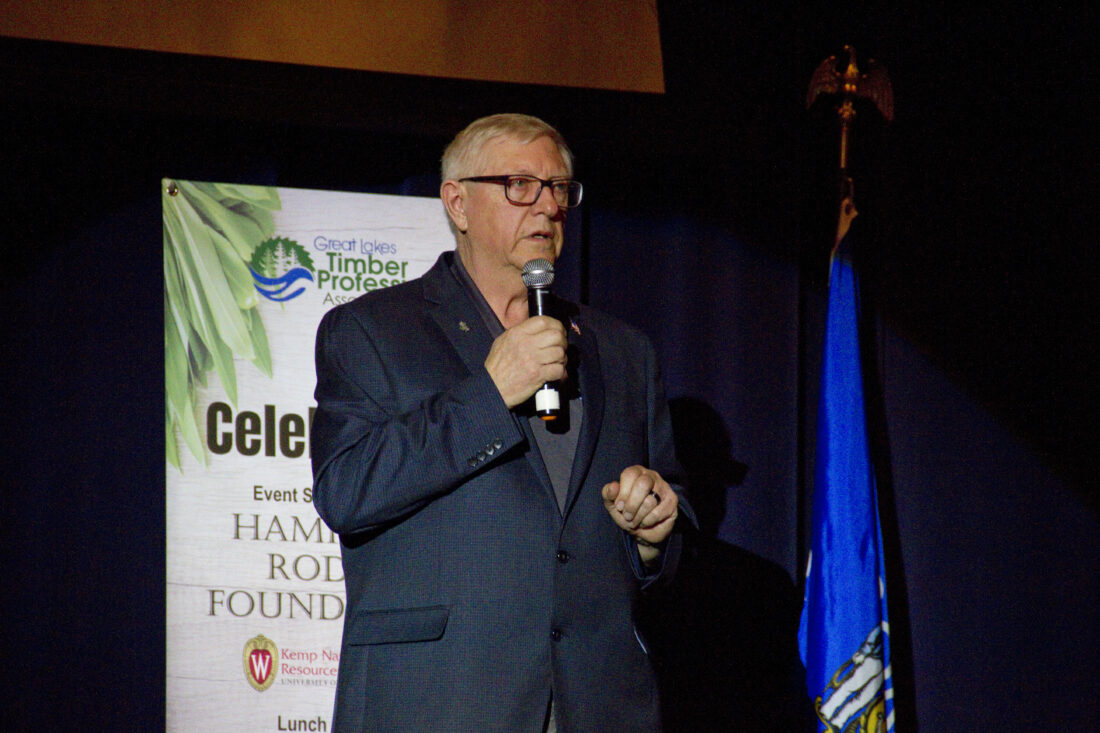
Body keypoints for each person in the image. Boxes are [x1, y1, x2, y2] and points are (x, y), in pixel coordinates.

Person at [311, 113, 694, 732]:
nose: (548, 206)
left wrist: (654, 534)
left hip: (596, 708)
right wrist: (490, 394)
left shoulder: (622, 350)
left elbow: (667, 520)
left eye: (559, 187)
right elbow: (346, 492)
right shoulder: (371, 330)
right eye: (520, 185)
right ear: (457, 203)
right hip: (441, 702)